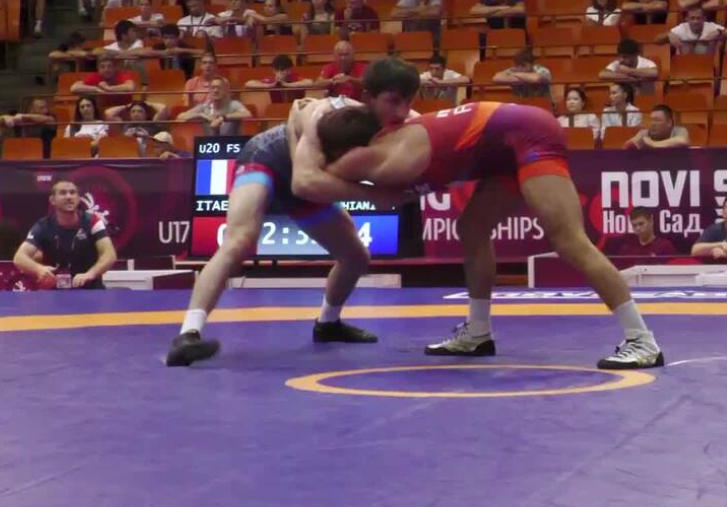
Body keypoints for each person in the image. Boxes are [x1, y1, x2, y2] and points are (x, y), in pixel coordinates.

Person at [308, 100, 665, 369]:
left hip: (529, 134)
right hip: (505, 146)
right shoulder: (393, 141)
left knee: (568, 241)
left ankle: (642, 340)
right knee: (472, 228)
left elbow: (308, 180)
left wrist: (305, 130)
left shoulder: (392, 156)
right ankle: (478, 333)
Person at [164, 58, 424, 366]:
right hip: (267, 159)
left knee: (356, 256)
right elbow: (303, 183)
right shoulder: (325, 113)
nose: (401, 112)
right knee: (239, 242)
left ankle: (328, 324)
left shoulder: (409, 124)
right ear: (368, 97)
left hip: (309, 179)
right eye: (393, 101)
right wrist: (374, 195)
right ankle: (188, 334)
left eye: (408, 102)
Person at [14, 178, 117, 290]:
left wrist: (90, 274)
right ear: (52, 200)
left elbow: (109, 255)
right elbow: (19, 258)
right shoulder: (43, 226)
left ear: (78, 199)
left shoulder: (92, 221)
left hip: (90, 289)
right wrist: (39, 269)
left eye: (73, 193)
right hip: (54, 291)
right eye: (63, 193)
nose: (69, 197)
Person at [177, 77, 253, 135]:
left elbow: (248, 114)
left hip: (231, 144)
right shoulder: (204, 107)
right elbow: (180, 117)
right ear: (210, 91)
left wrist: (223, 118)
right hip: (210, 144)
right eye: (213, 88)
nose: (216, 90)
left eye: (219, 88)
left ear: (225, 90)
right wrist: (200, 115)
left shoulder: (234, 104)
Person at [607, 208, 678, 257]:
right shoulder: (627, 249)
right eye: (634, 225)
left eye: (641, 224)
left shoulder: (665, 247)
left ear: (651, 221)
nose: (637, 228)